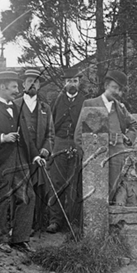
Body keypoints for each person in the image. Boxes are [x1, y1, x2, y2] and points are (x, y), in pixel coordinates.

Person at [0, 71, 42, 253]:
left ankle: (20, 239)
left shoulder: (16, 108)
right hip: (2, 162)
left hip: (21, 160)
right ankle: (1, 239)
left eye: (17, 87)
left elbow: (27, 137)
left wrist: (35, 155)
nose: (17, 90)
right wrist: (3, 137)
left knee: (28, 196)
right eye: (13, 87)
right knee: (2, 199)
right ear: (2, 87)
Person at [75, 70, 137, 204]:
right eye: (114, 88)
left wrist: (128, 139)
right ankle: (93, 221)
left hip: (117, 152)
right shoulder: (90, 104)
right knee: (95, 187)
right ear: (106, 86)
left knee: (113, 186)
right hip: (96, 153)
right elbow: (79, 133)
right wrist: (86, 152)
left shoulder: (120, 108)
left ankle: (109, 218)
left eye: (119, 89)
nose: (116, 92)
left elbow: (134, 125)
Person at [13, 69, 55, 233]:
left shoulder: (45, 108)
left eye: (36, 81)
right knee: (21, 191)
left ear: (39, 85)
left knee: (39, 190)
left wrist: (46, 148)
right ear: (23, 84)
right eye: (29, 80)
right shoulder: (15, 105)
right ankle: (19, 227)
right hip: (20, 156)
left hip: (39, 156)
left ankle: (36, 226)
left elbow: (50, 134)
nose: (32, 84)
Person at [46, 67, 86, 234]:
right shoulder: (56, 100)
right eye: (69, 81)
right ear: (64, 83)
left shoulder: (85, 100)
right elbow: (49, 125)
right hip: (59, 144)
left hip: (77, 143)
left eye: (75, 81)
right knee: (56, 182)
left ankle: (73, 222)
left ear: (79, 83)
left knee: (75, 184)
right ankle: (55, 220)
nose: (72, 84)